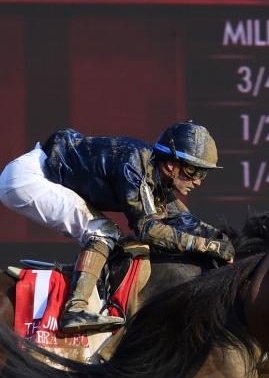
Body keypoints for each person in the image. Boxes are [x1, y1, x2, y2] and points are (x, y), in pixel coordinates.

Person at [0, 120, 234, 335]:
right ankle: (75, 310)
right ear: (172, 165)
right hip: (29, 179)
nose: (198, 181)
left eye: (203, 174)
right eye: (194, 171)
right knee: (103, 231)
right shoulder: (132, 166)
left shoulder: (155, 172)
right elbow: (148, 230)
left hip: (40, 175)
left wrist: (223, 240)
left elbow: (182, 219)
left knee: (107, 234)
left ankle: (83, 299)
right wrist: (207, 246)